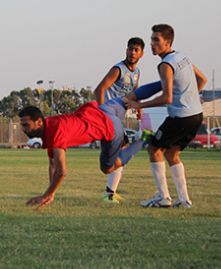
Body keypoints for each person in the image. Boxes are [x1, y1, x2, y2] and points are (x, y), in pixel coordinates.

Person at [21, 83, 159, 209]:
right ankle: (164, 82)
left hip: (110, 127)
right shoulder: (49, 124)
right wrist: (51, 193)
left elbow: (61, 171)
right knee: (129, 98)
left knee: (108, 168)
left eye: (26, 125)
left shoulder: (54, 132)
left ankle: (143, 139)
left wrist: (46, 195)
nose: (23, 129)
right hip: (103, 110)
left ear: (39, 122)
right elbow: (52, 164)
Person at [126, 24, 207, 208]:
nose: (152, 44)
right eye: (152, 39)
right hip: (196, 115)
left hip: (180, 117)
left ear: (167, 42)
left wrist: (140, 104)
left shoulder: (165, 65)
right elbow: (202, 80)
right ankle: (184, 200)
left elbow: (167, 97)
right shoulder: (182, 57)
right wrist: (191, 98)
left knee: (154, 148)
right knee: (172, 153)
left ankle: (163, 197)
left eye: (156, 40)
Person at [93, 37, 145, 202]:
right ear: (126, 50)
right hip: (110, 118)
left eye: (136, 50)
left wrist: (138, 108)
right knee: (120, 155)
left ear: (141, 53)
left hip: (118, 119)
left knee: (121, 154)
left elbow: (135, 92)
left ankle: (110, 193)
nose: (132, 52)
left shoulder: (136, 73)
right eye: (130, 49)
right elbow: (99, 89)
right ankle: (109, 194)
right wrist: (103, 114)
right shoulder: (118, 69)